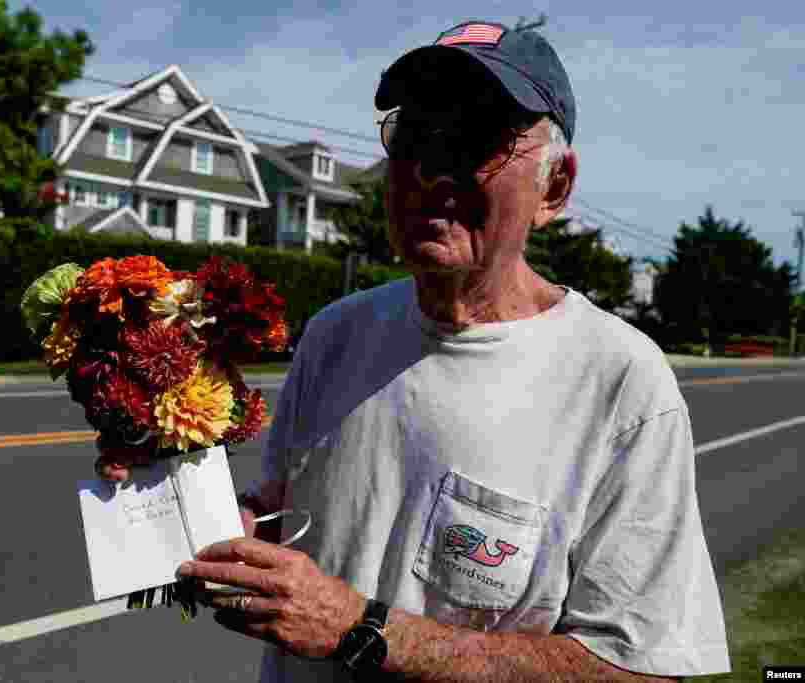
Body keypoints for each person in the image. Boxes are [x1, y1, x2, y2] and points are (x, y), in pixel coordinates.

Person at [97, 20, 731, 682]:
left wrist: (361, 627)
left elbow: (637, 669)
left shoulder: (623, 386)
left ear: (554, 189)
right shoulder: (335, 333)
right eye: (413, 135)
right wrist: (169, 495)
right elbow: (281, 517)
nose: (433, 168)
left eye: (479, 138)